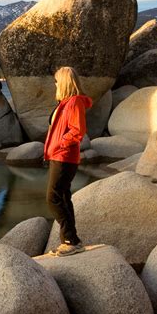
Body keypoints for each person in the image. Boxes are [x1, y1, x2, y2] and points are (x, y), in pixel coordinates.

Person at [43, 66, 93, 256]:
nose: (54, 84)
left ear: (63, 82)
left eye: (56, 81)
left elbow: (77, 131)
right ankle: (72, 240)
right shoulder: (65, 103)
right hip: (59, 156)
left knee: (52, 198)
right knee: (63, 197)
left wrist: (60, 145)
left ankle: (71, 240)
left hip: (64, 156)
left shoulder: (73, 103)